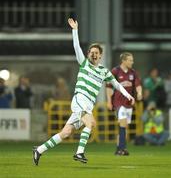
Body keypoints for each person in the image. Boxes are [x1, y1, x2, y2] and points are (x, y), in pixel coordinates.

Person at [32, 18, 135, 166]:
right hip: (80, 99)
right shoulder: (84, 63)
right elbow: (76, 46)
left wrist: (128, 94)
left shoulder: (104, 71)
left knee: (66, 132)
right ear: (88, 54)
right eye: (91, 52)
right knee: (91, 122)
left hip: (88, 104)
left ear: (100, 56)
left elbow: (116, 85)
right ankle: (79, 152)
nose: (93, 54)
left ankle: (39, 150)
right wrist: (75, 30)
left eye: (96, 53)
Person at [106, 52, 142, 155]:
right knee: (123, 123)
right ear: (124, 61)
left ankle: (118, 149)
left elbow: (138, 84)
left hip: (128, 103)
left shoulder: (133, 72)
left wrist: (139, 93)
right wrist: (109, 101)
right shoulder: (115, 71)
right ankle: (123, 149)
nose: (132, 62)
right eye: (130, 60)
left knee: (124, 126)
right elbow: (108, 87)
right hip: (118, 102)